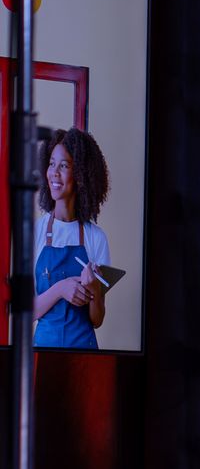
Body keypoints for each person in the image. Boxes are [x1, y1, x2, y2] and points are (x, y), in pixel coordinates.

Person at [32, 127, 112, 350]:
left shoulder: (96, 238)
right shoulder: (35, 232)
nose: (54, 173)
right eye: (51, 164)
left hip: (85, 356)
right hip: (43, 354)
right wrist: (60, 289)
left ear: (80, 175)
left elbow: (97, 320)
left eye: (64, 166)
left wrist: (94, 290)